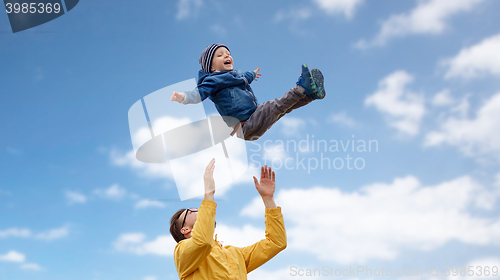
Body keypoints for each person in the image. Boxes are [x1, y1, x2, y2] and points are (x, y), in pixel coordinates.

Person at [171, 43, 326, 141]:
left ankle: (310, 95)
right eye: (219, 55)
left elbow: (245, 77)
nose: (226, 55)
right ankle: (301, 88)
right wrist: (183, 97)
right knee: (275, 105)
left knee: (283, 108)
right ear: (211, 68)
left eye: (228, 53)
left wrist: (252, 73)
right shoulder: (212, 81)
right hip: (245, 127)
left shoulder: (235, 75)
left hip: (253, 117)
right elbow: (198, 94)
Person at [169, 159, 287, 279]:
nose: (200, 210)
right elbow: (203, 242)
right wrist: (209, 194)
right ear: (185, 230)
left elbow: (276, 242)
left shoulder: (235, 254)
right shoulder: (181, 252)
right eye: (192, 211)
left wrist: (268, 199)